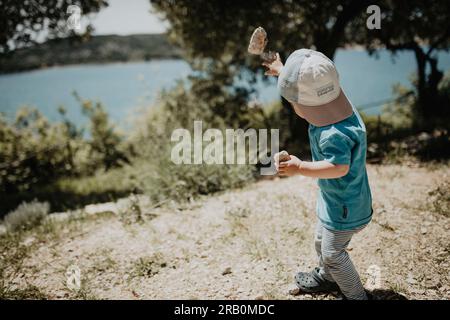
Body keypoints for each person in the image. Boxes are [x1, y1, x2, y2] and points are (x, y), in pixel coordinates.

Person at [265, 49, 373, 300]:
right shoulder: (343, 109)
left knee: (334, 254)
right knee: (320, 240)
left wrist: (299, 167)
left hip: (347, 206)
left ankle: (356, 296)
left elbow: (339, 167)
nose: (294, 106)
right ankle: (327, 277)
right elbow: (313, 86)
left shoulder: (332, 134)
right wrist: (282, 71)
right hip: (337, 199)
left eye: (295, 102)